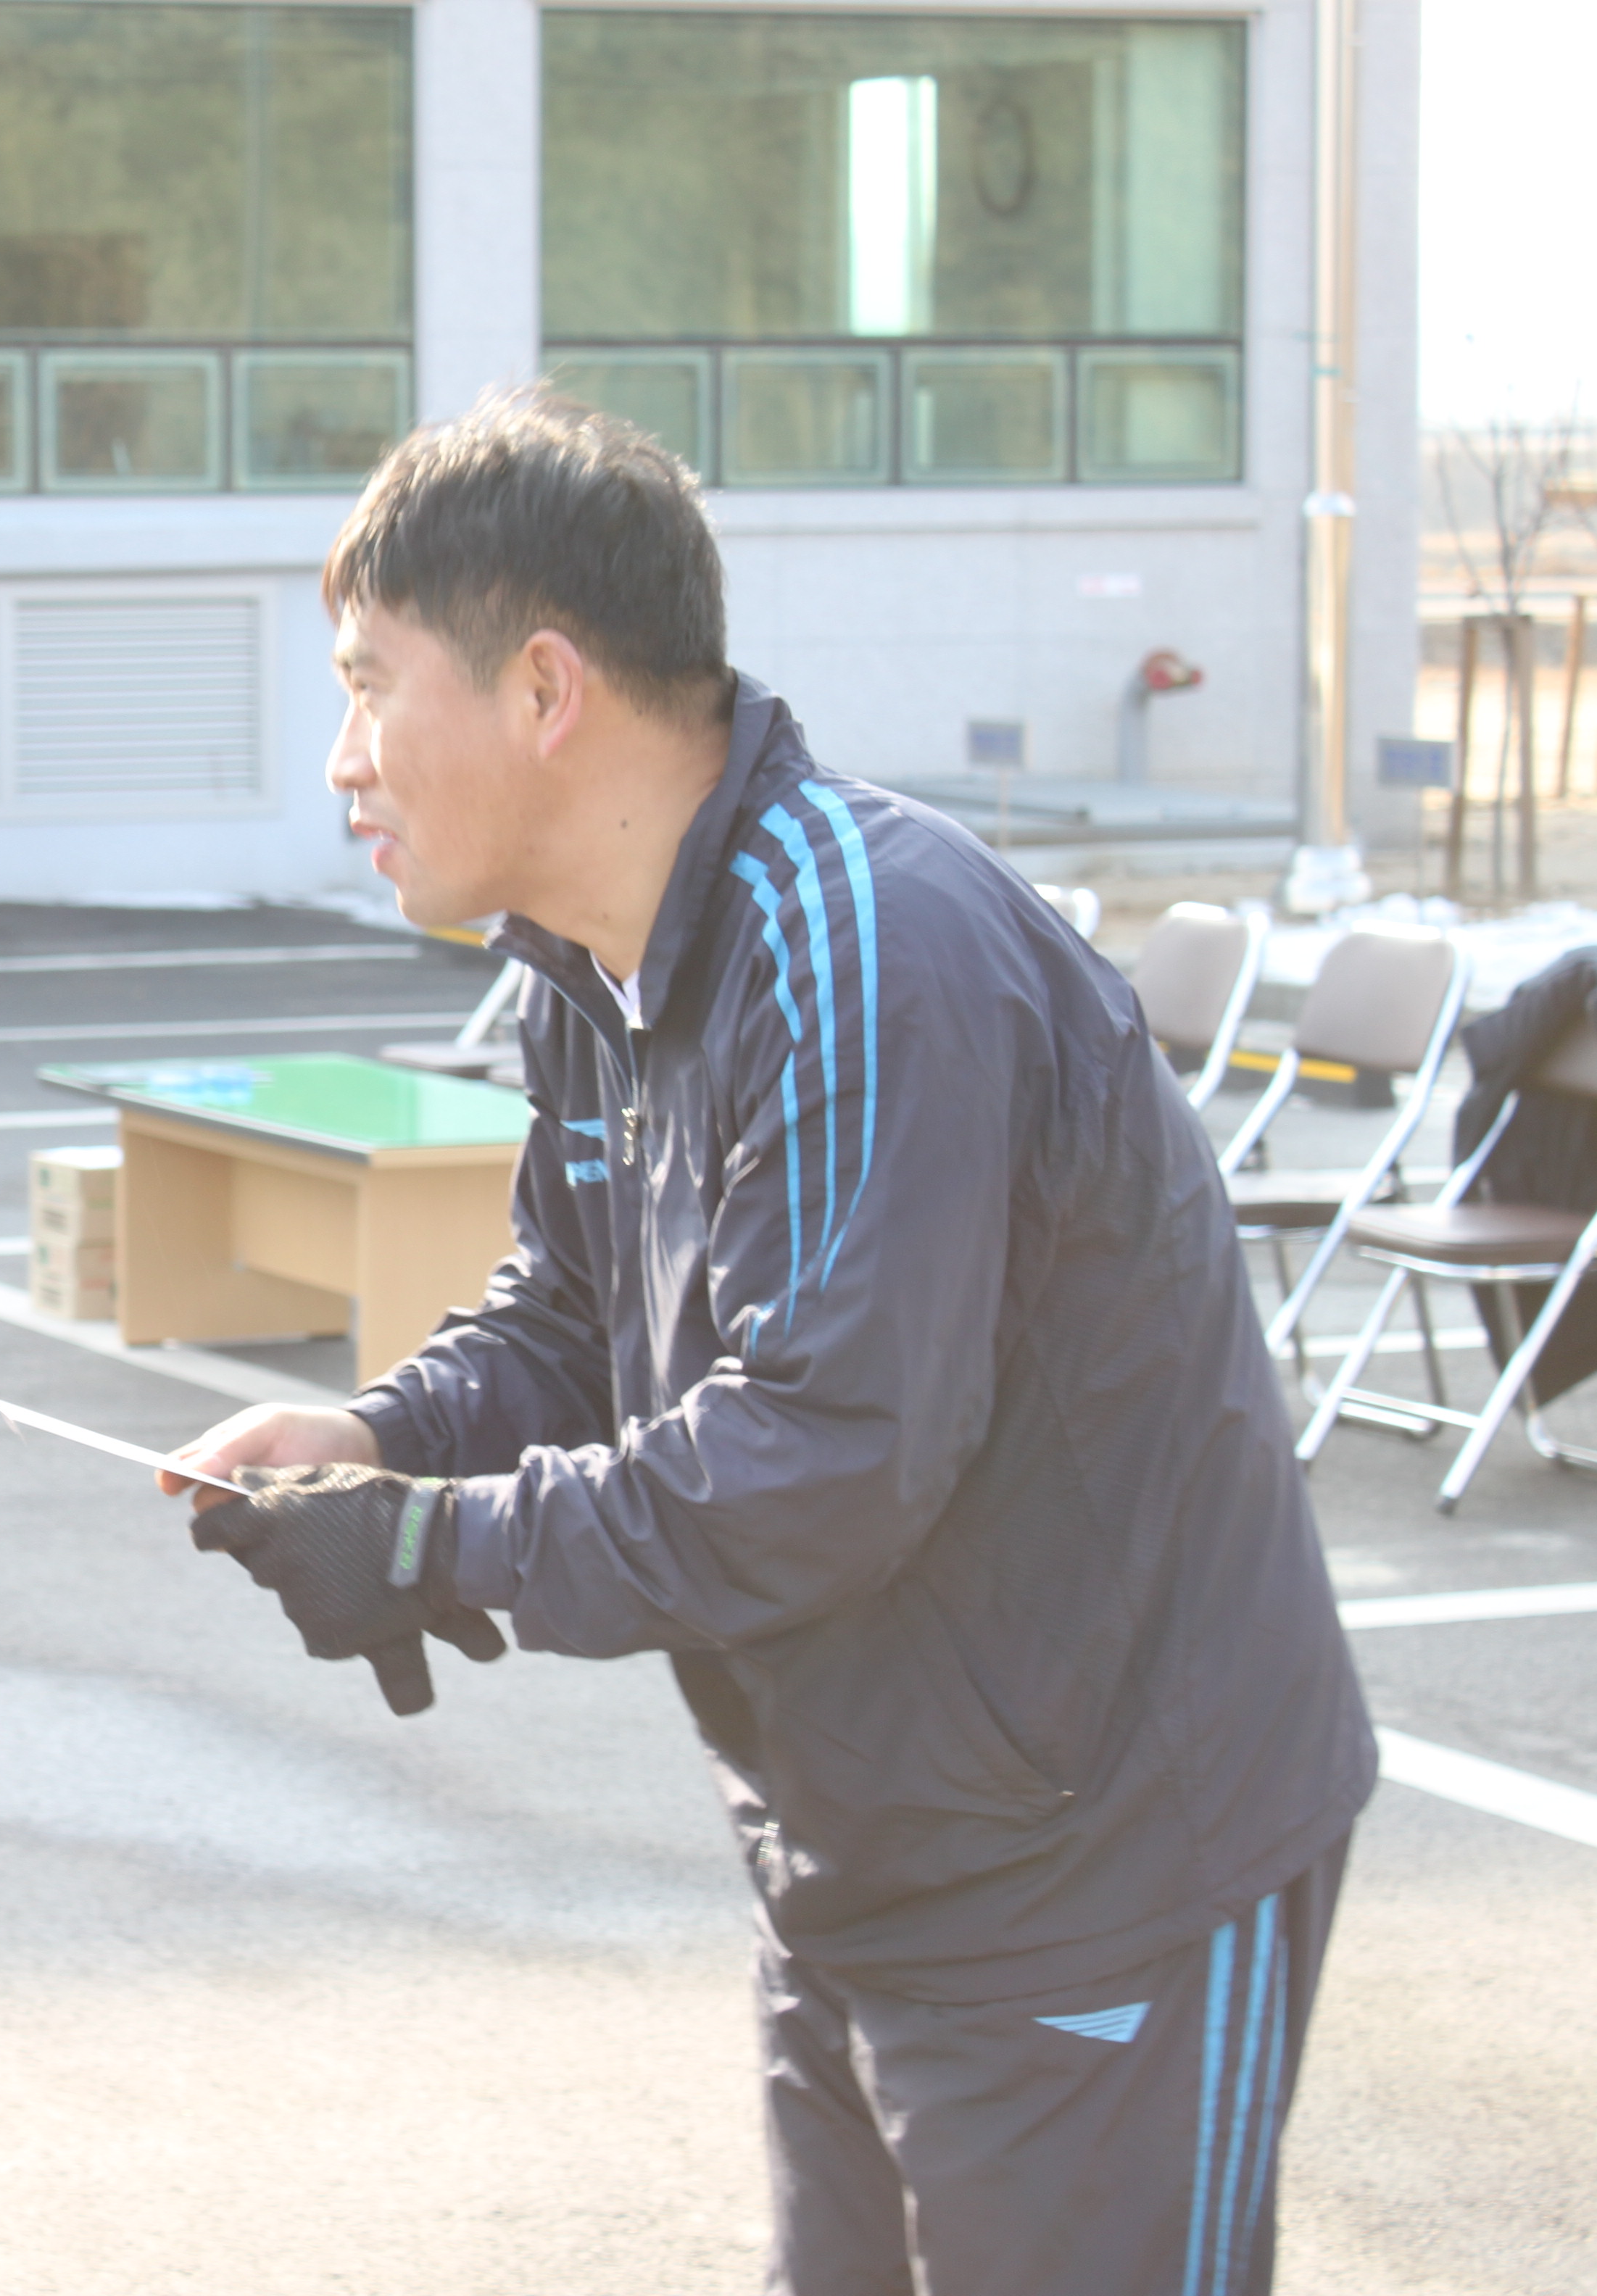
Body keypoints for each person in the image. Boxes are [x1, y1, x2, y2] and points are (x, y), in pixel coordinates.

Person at [171, 391, 1372, 2296]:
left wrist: (431, 1545)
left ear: (544, 688)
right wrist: (380, 1443)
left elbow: (825, 1458)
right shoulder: (594, 964)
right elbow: (576, 1322)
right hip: (865, 1852)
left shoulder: (874, 946)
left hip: (1102, 1871)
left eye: (368, 688)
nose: (343, 761)